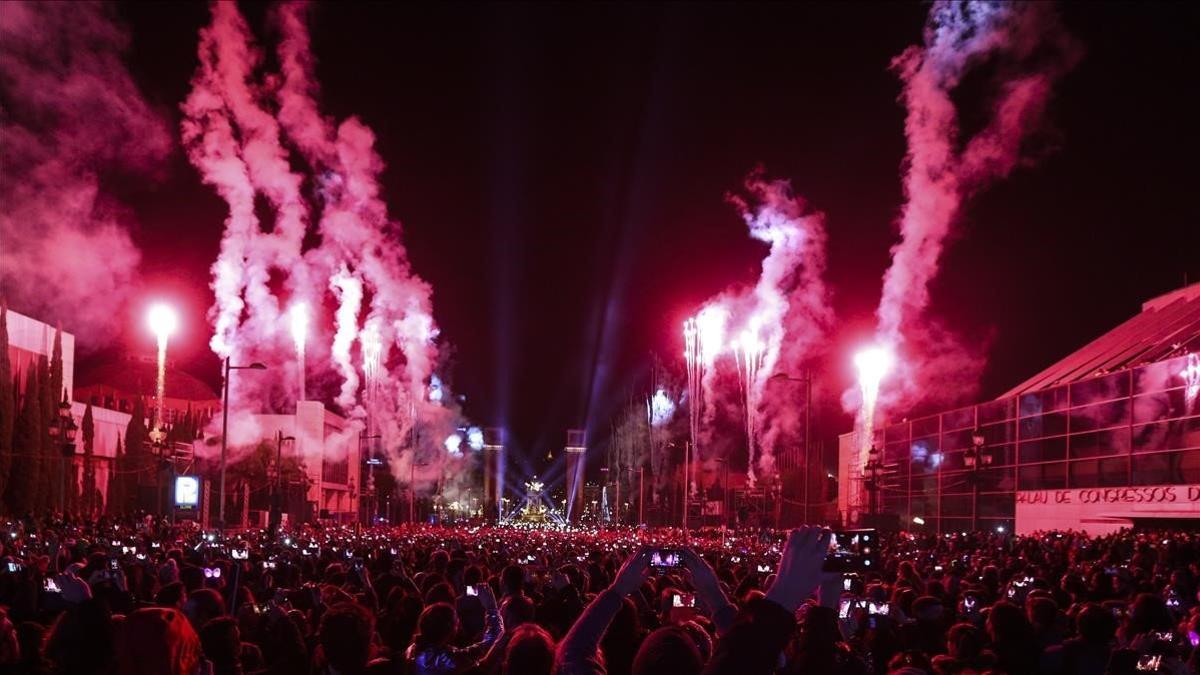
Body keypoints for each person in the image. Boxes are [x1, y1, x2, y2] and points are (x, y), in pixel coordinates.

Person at [406, 583, 502, 674]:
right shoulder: (445, 659)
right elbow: (490, 643)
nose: (459, 623)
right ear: (449, 630)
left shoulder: (412, 650)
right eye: (455, 621)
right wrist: (491, 607)